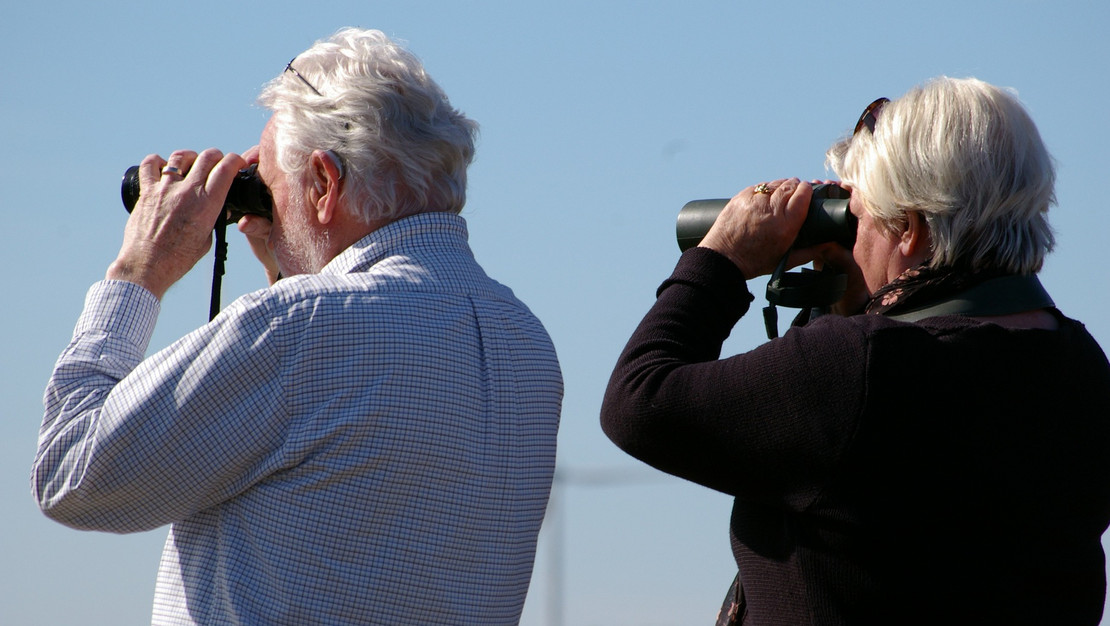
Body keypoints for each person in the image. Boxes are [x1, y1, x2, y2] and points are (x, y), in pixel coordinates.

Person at [33, 28, 562, 625]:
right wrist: (288, 268)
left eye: (270, 188)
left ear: (325, 184)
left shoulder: (298, 327)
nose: (260, 205)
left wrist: (138, 272)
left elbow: (72, 473)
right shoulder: (527, 345)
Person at [600, 77, 1110, 625]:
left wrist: (719, 261)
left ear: (909, 228)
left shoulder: (861, 369)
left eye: (856, 216)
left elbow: (639, 401)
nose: (848, 233)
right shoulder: (1080, 365)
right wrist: (844, 295)